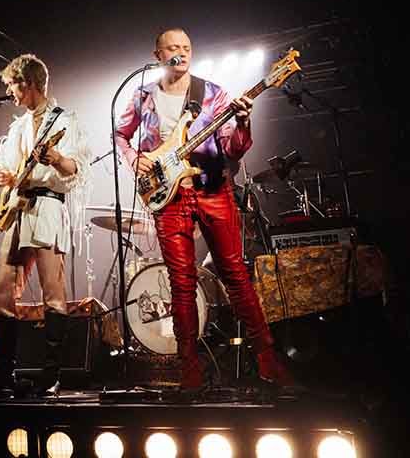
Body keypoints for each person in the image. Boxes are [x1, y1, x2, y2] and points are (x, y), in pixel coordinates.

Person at [113, 27, 293, 389]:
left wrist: (242, 121)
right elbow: (119, 135)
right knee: (181, 284)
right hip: (168, 196)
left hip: (211, 189)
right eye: (173, 48)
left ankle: (268, 361)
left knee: (236, 276)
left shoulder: (212, 94)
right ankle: (189, 372)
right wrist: (134, 159)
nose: (181, 53)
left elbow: (233, 149)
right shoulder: (142, 96)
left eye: (187, 47)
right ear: (158, 54)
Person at [0, 54, 91, 396]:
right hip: (18, 209)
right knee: (2, 292)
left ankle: (51, 375)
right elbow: (9, 170)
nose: (9, 93)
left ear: (28, 83)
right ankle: (2, 373)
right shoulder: (18, 127)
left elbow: (76, 169)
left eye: (11, 85)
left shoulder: (64, 120)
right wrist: (5, 178)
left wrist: (58, 159)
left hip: (47, 207)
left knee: (53, 292)